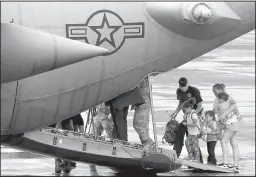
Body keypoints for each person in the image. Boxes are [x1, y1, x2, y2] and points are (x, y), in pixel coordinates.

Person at [164, 77, 203, 162]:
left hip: (195, 115)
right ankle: (175, 155)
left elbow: (200, 106)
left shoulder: (194, 91)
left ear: (187, 83)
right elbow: (181, 103)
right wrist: (175, 112)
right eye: (181, 86)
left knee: (192, 137)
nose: (183, 88)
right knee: (179, 131)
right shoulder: (179, 91)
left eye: (184, 86)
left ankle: (198, 160)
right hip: (186, 115)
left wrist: (191, 114)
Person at [214, 92, 240, 172]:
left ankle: (225, 163)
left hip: (230, 126)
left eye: (219, 99)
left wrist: (222, 124)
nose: (217, 100)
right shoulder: (230, 106)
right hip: (235, 124)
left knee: (223, 141)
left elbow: (223, 121)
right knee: (234, 144)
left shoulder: (224, 107)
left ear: (222, 99)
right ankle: (236, 165)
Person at [132, 77, 154, 145]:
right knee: (142, 125)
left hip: (143, 105)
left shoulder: (142, 80)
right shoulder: (144, 80)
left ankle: (148, 141)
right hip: (143, 104)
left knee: (138, 124)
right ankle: (146, 142)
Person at [181, 98, 201, 163]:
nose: (185, 111)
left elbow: (195, 124)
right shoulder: (188, 114)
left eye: (185, 110)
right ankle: (190, 156)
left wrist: (187, 124)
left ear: (189, 108)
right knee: (187, 142)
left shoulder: (193, 114)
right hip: (190, 133)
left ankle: (197, 159)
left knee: (195, 145)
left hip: (195, 133)